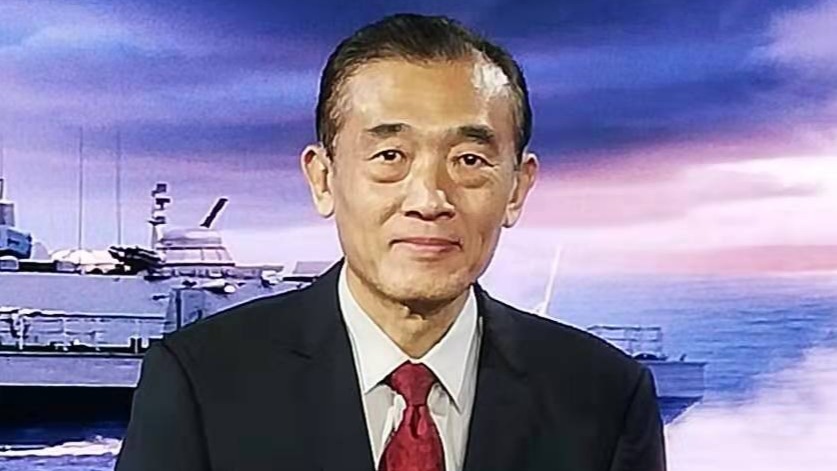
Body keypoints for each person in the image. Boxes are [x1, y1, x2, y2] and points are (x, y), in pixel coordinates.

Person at [116, 13, 666, 471]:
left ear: (517, 188)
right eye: (389, 157)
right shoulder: (200, 384)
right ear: (323, 179)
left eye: (469, 160)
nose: (429, 198)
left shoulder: (606, 398)